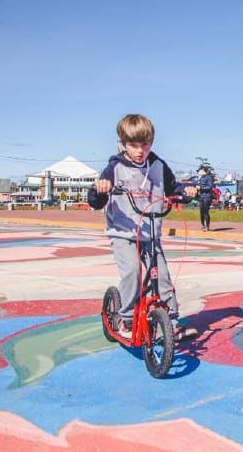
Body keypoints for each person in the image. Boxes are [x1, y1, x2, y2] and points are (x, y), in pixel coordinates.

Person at [88, 113, 199, 340]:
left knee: (163, 277)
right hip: (123, 233)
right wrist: (99, 189)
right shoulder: (115, 167)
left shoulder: (157, 165)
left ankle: (173, 322)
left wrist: (185, 192)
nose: (140, 151)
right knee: (132, 272)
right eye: (133, 145)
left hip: (150, 233)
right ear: (122, 144)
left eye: (145, 145)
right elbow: (96, 201)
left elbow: (173, 188)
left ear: (151, 142)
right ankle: (125, 318)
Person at [196, 165, 215, 231]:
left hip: (207, 197)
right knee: (201, 212)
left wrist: (200, 188)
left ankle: (207, 226)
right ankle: (203, 225)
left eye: (199, 170)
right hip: (201, 197)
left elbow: (210, 187)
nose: (198, 172)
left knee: (206, 212)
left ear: (203, 170)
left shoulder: (208, 177)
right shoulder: (201, 178)